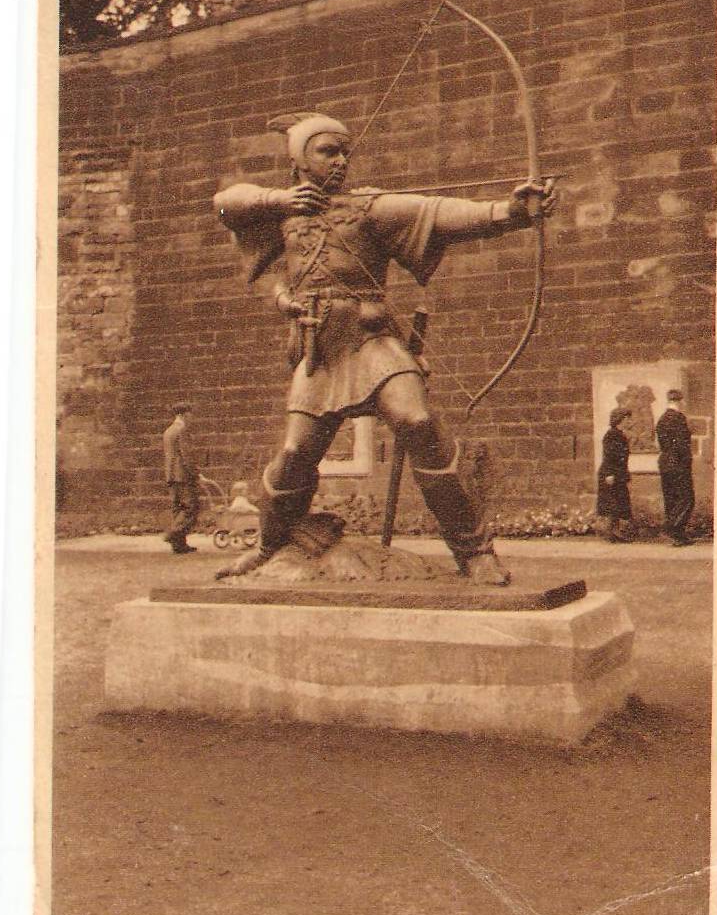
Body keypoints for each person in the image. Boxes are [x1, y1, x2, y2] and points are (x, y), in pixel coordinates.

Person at [214, 111, 556, 585]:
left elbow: (440, 214)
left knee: (418, 422)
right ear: (298, 160)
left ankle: (474, 551)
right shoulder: (280, 214)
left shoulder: (369, 207)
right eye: (326, 151)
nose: (340, 161)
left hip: (372, 339)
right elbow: (226, 204)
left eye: (344, 152)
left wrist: (510, 212)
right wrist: (281, 214)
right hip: (318, 349)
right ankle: (269, 546)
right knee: (293, 454)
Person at [162, 403, 214, 554]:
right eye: (190, 414)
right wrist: (196, 474)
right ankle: (173, 533)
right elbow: (187, 456)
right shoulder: (182, 430)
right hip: (183, 475)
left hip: (171, 476)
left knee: (177, 509)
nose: (192, 417)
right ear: (184, 414)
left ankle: (179, 545)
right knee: (191, 507)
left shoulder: (168, 431)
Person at [655, 388, 695, 546]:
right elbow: (681, 445)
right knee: (687, 498)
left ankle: (678, 536)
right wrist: (686, 462)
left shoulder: (661, 419)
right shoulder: (678, 418)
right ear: (680, 401)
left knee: (671, 499)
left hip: (664, 463)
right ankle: (671, 528)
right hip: (678, 463)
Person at [596, 408, 633, 542]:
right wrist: (609, 474)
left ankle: (615, 532)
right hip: (610, 474)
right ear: (620, 420)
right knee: (613, 503)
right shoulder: (611, 435)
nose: (629, 421)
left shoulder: (620, 434)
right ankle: (612, 533)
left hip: (618, 474)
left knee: (619, 503)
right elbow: (609, 456)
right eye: (627, 418)